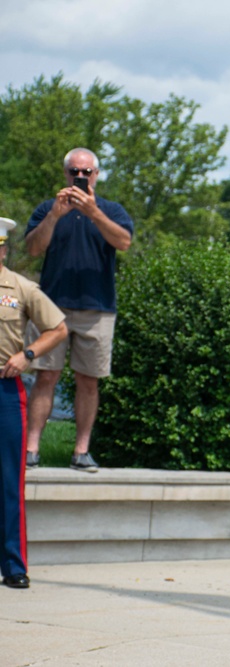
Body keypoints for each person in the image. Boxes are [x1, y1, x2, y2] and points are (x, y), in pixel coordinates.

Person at [23, 148, 133, 472]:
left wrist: (94, 213)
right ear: (65, 174)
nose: (80, 178)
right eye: (74, 172)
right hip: (51, 308)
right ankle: (31, 451)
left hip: (96, 308)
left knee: (89, 381)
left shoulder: (111, 210)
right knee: (46, 377)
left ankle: (81, 452)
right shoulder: (48, 208)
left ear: (96, 175)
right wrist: (56, 215)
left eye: (86, 173)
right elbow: (32, 248)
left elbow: (124, 242)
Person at [0, 217, 68, 588]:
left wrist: (27, 354)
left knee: (9, 480)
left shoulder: (22, 288)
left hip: (4, 391)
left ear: (4, 249)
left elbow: (59, 329)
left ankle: (13, 566)